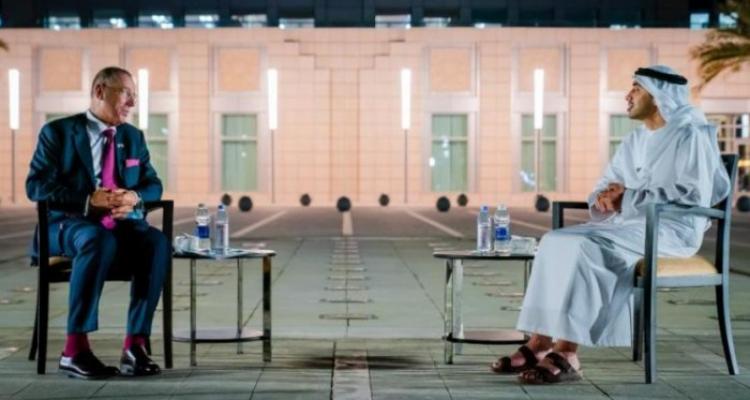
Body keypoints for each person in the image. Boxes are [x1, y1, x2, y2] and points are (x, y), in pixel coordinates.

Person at [491, 65, 731, 384]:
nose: (628, 96)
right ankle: (539, 342)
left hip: (672, 230)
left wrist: (628, 198)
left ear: (658, 96)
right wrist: (603, 198)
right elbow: (608, 182)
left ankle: (568, 352)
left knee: (588, 246)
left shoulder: (691, 134)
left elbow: (693, 194)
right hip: (628, 226)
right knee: (554, 240)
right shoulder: (635, 140)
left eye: (636, 89)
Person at [26, 66, 168, 379]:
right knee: (96, 239)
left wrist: (133, 196)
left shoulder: (133, 137)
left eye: (134, 96)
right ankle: (74, 350)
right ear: (100, 91)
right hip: (67, 225)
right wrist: (88, 200)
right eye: (126, 93)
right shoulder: (58, 132)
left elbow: (153, 184)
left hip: (119, 227)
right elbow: (36, 186)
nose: (132, 103)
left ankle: (135, 346)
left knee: (157, 242)